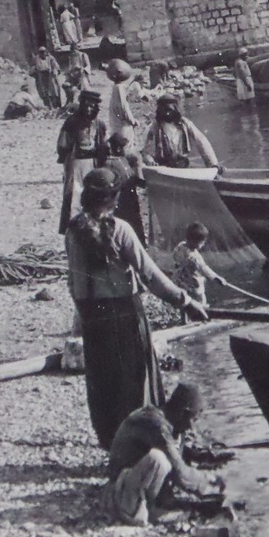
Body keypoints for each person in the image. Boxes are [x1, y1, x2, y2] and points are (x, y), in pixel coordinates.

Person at [66, 168, 207, 447]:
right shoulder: (120, 229)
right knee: (135, 380)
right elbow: (151, 276)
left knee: (103, 379)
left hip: (92, 315)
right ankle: (141, 438)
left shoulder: (73, 231)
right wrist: (186, 301)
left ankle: (110, 439)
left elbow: (74, 281)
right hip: (125, 313)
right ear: (112, 199)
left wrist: (82, 315)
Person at [102, 384, 221, 526]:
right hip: (119, 494)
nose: (192, 427)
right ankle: (141, 512)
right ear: (183, 412)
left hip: (129, 484)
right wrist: (209, 481)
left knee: (167, 459)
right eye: (193, 419)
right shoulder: (156, 426)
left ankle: (154, 506)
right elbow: (181, 474)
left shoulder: (165, 421)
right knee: (158, 459)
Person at [56, 89, 109, 234]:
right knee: (73, 196)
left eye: (93, 105)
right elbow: (63, 145)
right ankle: (71, 231)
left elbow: (102, 145)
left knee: (91, 195)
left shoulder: (99, 124)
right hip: (75, 163)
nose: (89, 108)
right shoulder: (72, 122)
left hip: (92, 163)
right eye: (86, 104)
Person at [142, 94, 219, 169]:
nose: (167, 113)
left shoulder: (185, 123)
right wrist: (150, 161)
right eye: (164, 110)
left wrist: (212, 164)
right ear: (159, 111)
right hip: (162, 166)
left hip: (182, 164)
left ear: (175, 109)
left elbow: (202, 142)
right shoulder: (154, 127)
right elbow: (146, 150)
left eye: (169, 110)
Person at [172, 222, 227, 307]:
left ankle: (185, 317)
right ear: (195, 242)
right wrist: (216, 278)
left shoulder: (181, 245)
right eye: (202, 242)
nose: (203, 244)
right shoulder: (194, 257)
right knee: (201, 299)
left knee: (184, 300)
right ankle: (202, 313)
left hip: (179, 280)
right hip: (192, 282)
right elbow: (204, 268)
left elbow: (175, 256)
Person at [105, 130, 146, 242]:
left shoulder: (124, 160)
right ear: (118, 149)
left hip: (130, 200)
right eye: (125, 147)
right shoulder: (110, 164)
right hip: (121, 201)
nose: (127, 150)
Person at [104, 58, 141, 145]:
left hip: (118, 124)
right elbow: (123, 107)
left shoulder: (117, 87)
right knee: (125, 146)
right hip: (122, 126)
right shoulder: (119, 88)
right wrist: (132, 120)